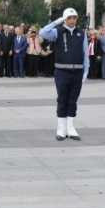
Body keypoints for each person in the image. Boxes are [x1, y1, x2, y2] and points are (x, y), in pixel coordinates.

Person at [40, 8, 89, 141]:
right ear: (65, 19)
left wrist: (86, 70)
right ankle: (61, 128)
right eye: (69, 18)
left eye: (74, 18)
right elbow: (43, 32)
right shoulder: (57, 32)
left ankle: (70, 128)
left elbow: (85, 53)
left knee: (73, 100)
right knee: (62, 99)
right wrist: (57, 21)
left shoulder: (81, 33)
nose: (72, 20)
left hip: (77, 71)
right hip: (62, 71)